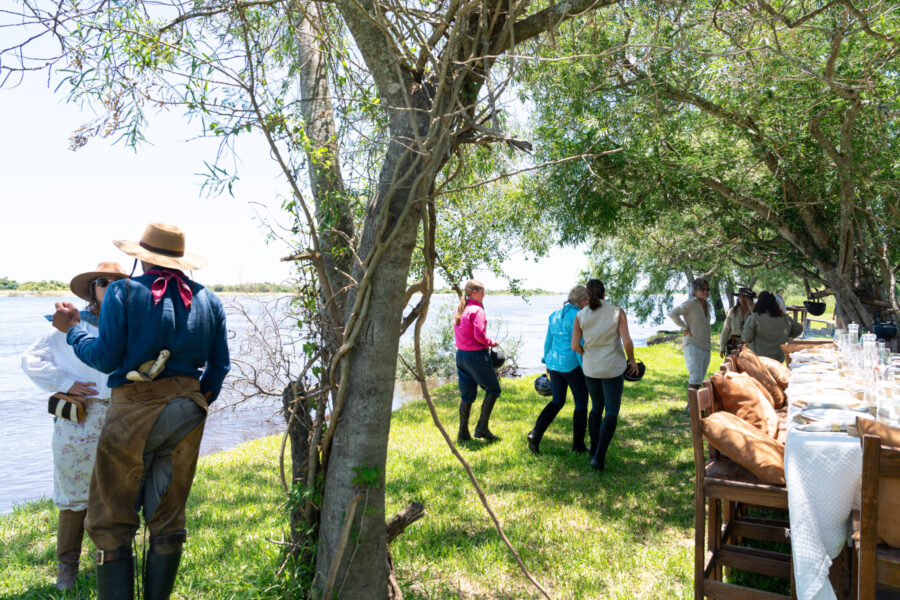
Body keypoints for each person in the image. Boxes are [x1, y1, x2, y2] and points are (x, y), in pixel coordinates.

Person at [51, 223, 230, 600]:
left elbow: (104, 358)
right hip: (186, 414)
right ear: (181, 261)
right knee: (167, 517)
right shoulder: (209, 301)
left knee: (111, 519)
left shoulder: (124, 292)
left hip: (132, 413)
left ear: (140, 258)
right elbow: (219, 368)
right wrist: (195, 403)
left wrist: (73, 331)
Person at [20, 262, 128, 591]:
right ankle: (67, 568)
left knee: (114, 496)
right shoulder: (67, 326)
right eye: (102, 282)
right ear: (91, 289)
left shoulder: (130, 326)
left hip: (123, 417)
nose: (109, 286)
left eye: (117, 282)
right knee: (73, 496)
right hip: (80, 421)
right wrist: (67, 382)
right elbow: (30, 360)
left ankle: (110, 564)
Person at [571, 279, 638, 471]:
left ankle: (593, 450)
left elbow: (575, 346)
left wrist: (589, 355)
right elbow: (627, 341)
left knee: (595, 408)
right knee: (610, 412)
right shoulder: (617, 311)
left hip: (591, 369)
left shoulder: (581, 315)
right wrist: (631, 361)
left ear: (587, 296)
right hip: (612, 368)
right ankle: (599, 456)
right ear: (604, 293)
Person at [528, 285, 590, 454]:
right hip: (572, 366)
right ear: (582, 300)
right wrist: (586, 367)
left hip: (554, 364)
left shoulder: (555, 315)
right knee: (581, 405)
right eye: (587, 299)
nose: (588, 302)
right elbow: (579, 345)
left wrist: (546, 360)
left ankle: (535, 434)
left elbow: (548, 341)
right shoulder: (579, 316)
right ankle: (578, 446)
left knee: (557, 401)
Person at [453, 279, 502, 443]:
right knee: (493, 389)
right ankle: (482, 428)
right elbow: (479, 335)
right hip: (475, 355)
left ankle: (463, 432)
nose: (484, 295)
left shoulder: (461, 309)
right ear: (474, 293)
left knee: (467, 395)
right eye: (482, 292)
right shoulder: (477, 310)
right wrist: (491, 342)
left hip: (461, 356)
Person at [742, 290, 803, 362]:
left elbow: (746, 337)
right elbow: (799, 328)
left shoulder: (755, 317)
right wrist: (786, 336)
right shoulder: (784, 317)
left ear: (759, 302)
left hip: (759, 359)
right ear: (774, 302)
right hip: (778, 358)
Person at [719, 287, 756, 357]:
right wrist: (722, 347)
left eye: (745, 297)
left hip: (749, 346)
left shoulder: (755, 313)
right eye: (740, 296)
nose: (742, 299)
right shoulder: (733, 311)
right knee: (729, 366)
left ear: (749, 298)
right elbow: (726, 330)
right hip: (733, 344)